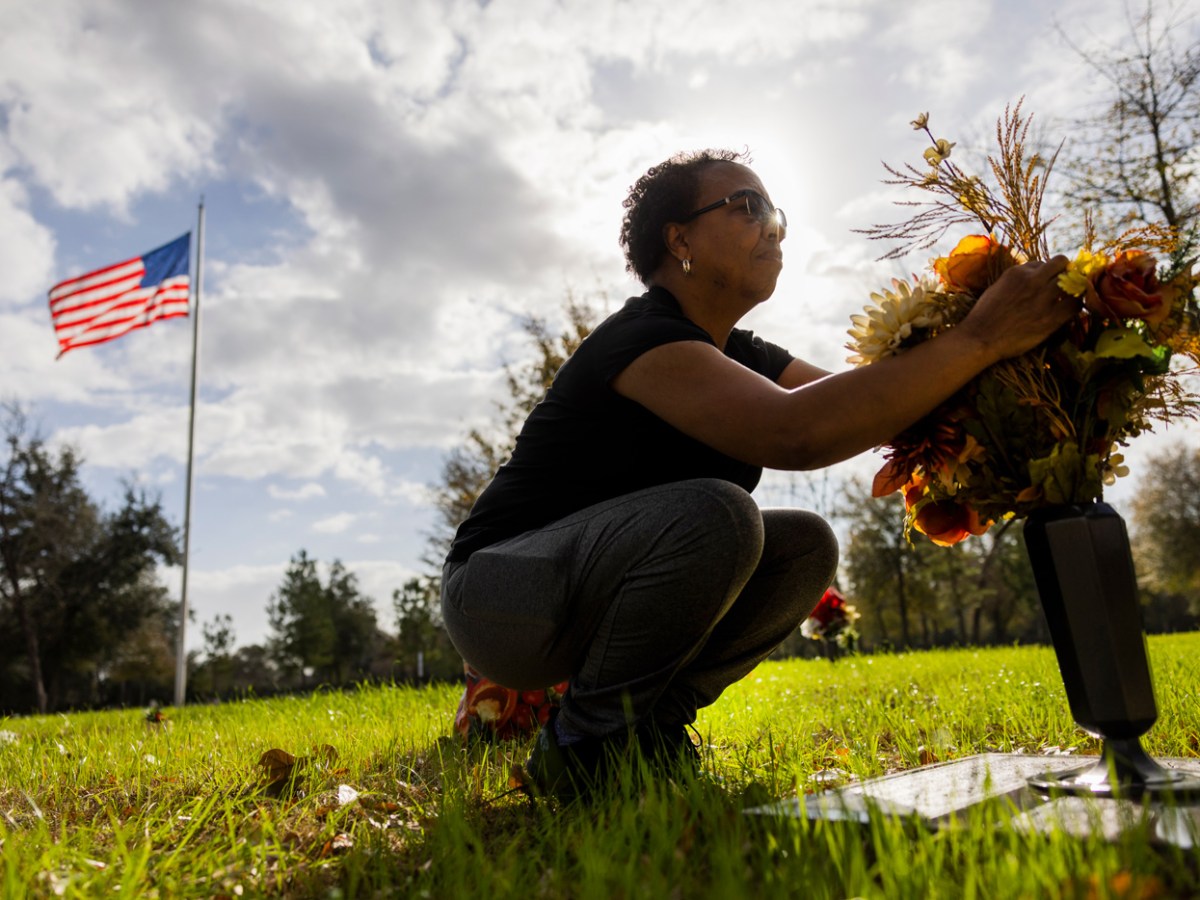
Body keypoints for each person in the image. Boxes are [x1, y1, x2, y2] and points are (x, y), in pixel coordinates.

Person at [440, 148, 1076, 800]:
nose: (773, 225)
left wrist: (1033, 386)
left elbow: (873, 409)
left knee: (804, 544)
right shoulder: (642, 338)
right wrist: (978, 339)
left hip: (595, 587)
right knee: (718, 513)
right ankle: (586, 744)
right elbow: (796, 432)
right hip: (504, 594)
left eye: (777, 213)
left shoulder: (743, 352)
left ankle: (651, 723)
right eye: (748, 207)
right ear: (679, 238)